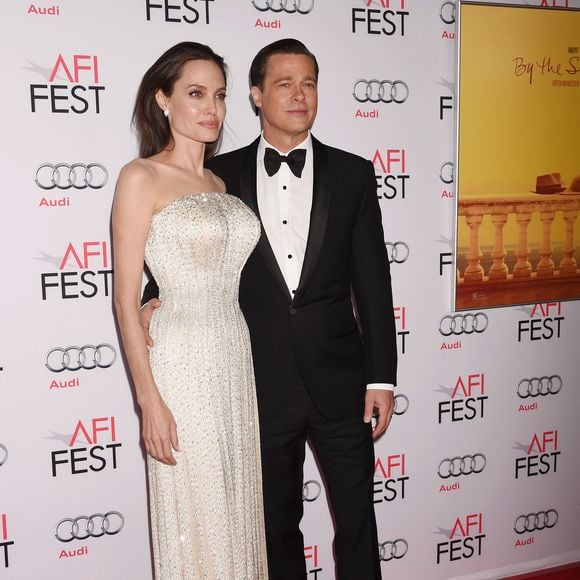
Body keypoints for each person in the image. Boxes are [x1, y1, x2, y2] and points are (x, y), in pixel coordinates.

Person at [143, 38, 397, 580]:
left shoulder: (353, 174)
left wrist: (382, 378)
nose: (299, 94)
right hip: (257, 381)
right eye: (284, 83)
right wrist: (152, 298)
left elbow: (374, 281)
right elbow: (181, 247)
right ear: (257, 95)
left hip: (342, 381)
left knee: (358, 523)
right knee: (276, 528)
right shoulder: (219, 175)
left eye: (308, 83)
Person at [112, 42, 268, 579]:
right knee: (195, 509)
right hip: (180, 363)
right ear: (163, 100)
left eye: (220, 96)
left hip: (233, 354)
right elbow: (124, 297)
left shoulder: (221, 184)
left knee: (233, 504)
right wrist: (147, 401)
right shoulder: (141, 177)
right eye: (195, 94)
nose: (212, 108)